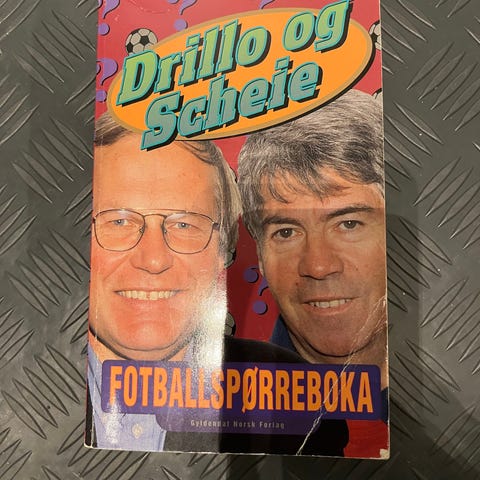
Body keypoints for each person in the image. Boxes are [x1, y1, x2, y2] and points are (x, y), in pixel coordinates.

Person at [85, 113, 348, 455]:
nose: (153, 260)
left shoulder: (302, 399)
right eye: (119, 220)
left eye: (185, 225)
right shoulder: (27, 382)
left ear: (224, 250)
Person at [237, 89, 389, 457]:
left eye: (348, 224)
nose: (318, 266)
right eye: (286, 232)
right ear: (260, 254)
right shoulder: (229, 410)